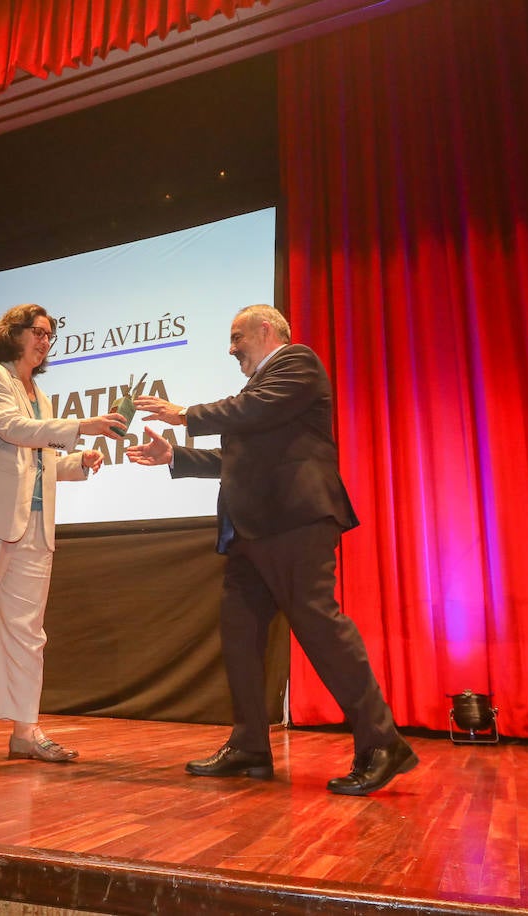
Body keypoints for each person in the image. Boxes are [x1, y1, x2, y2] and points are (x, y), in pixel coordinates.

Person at [126, 304, 417, 796]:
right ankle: (250, 745)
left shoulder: (296, 362)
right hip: (250, 531)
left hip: (293, 521)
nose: (231, 348)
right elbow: (235, 457)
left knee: (319, 624)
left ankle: (382, 742)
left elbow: (250, 413)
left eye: (237, 336)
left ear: (266, 331)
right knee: (239, 635)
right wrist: (173, 455)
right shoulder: (257, 391)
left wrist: (185, 415)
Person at [0, 303, 123, 767]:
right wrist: (81, 426)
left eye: (50, 335)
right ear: (13, 334)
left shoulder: (42, 397)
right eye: (38, 332)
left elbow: (38, 457)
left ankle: (26, 731)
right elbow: (11, 430)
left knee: (28, 633)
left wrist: (76, 463)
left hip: (31, 525)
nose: (45, 340)